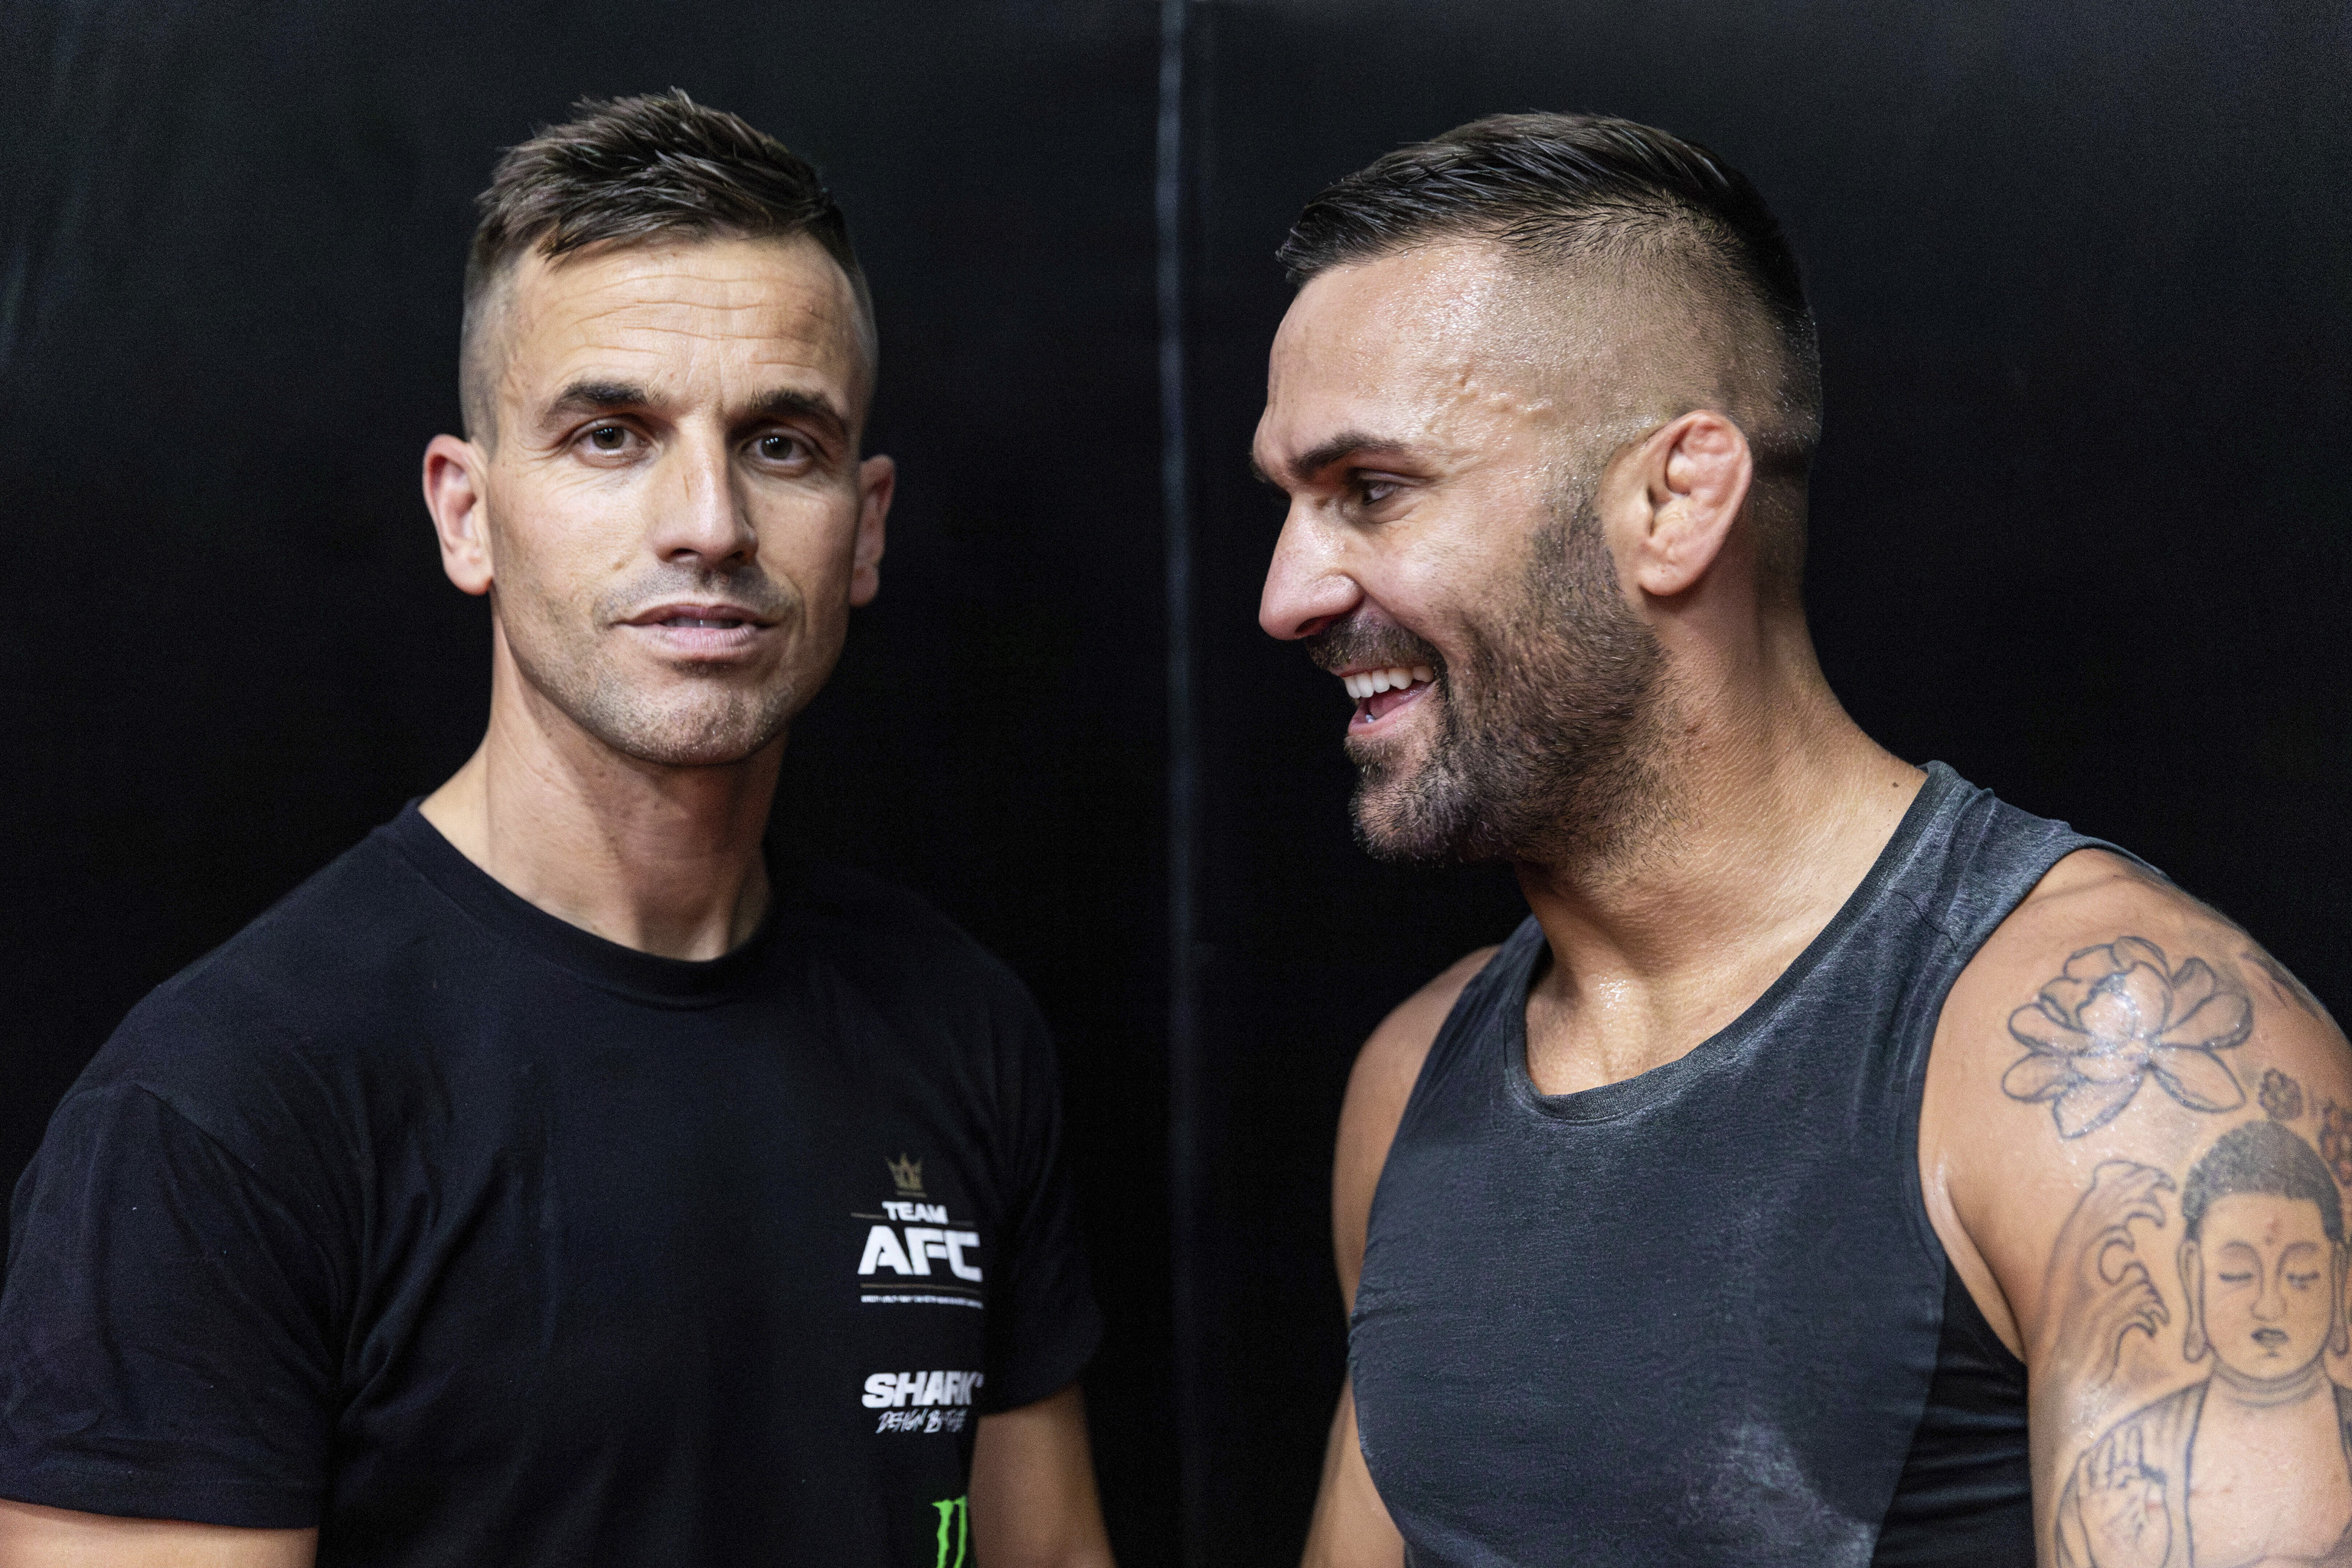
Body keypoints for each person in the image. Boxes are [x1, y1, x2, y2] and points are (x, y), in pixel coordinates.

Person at [0, 92, 1113, 1568]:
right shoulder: (223, 1112)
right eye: (610, 434)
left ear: (867, 523)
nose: (707, 519)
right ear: (467, 513)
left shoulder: (959, 1026)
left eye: (781, 443)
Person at [1252, 113, 2352, 1566]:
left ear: (1674, 497)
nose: (1286, 594)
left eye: (1370, 491)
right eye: (1287, 505)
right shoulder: (1412, 1086)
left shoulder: (2116, 1062)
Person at [2053, 1120, 2352, 1567]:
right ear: (2193, 1274)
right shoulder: (2116, 1471)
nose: (2269, 1306)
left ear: (2337, 1274)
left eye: (2300, 1276)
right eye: (2236, 1274)